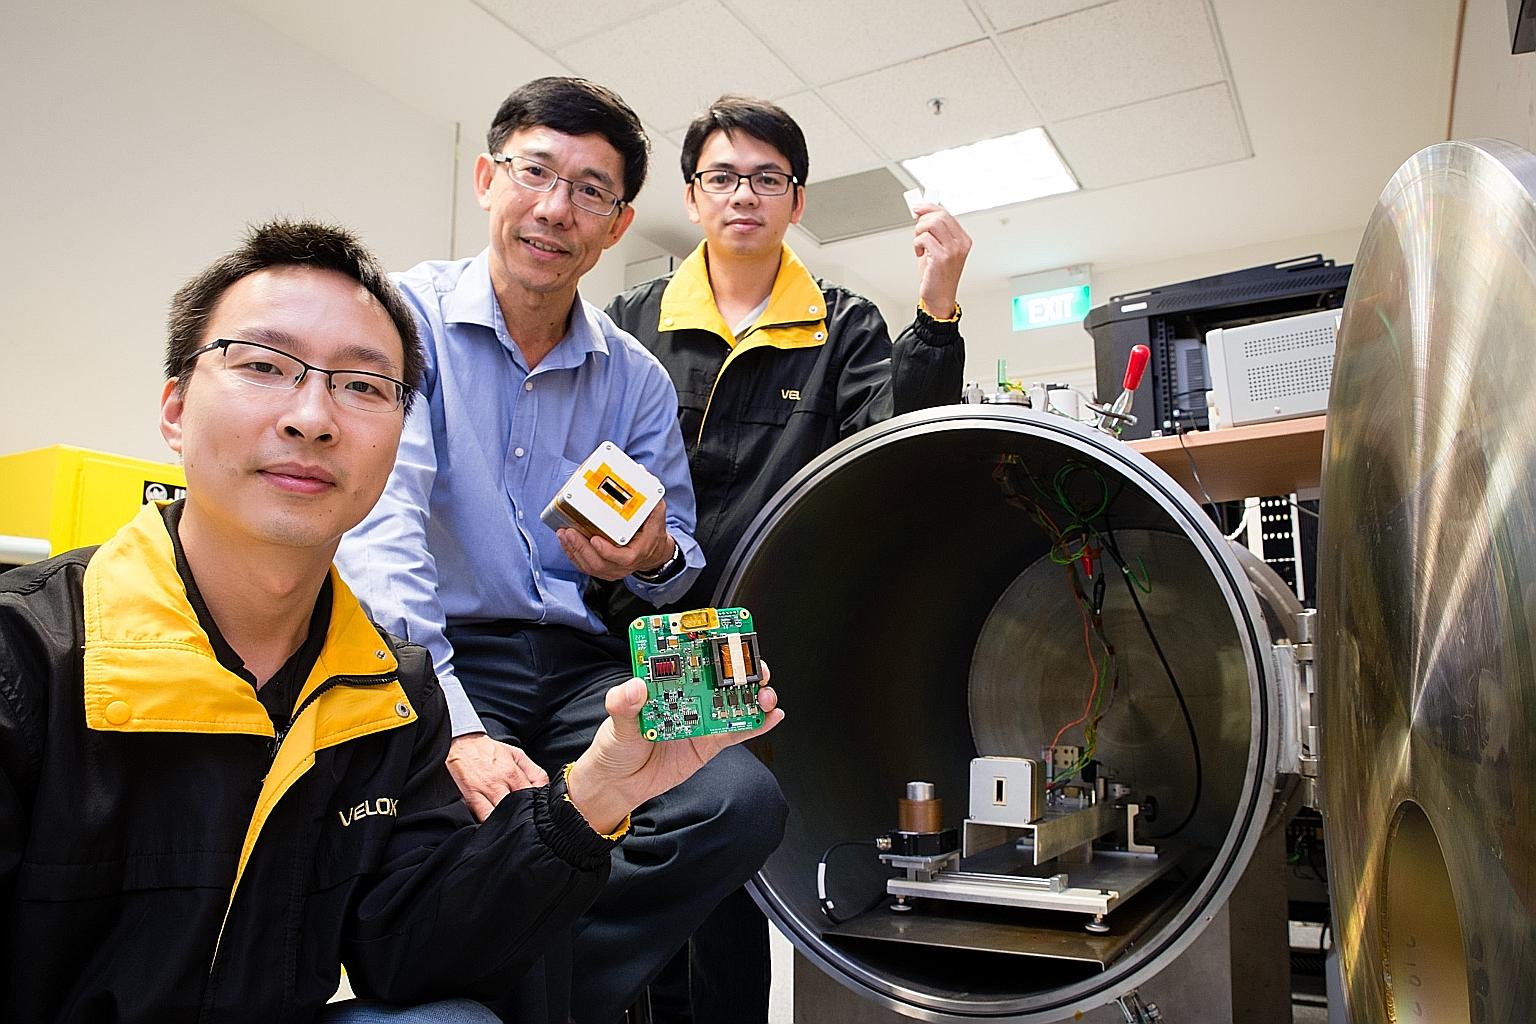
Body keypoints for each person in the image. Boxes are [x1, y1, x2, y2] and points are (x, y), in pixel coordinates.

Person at [0, 219, 781, 1024]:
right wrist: (466, 728)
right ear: (173, 409)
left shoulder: (382, 689)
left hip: (582, 654)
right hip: (460, 650)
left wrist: (592, 795)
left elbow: (407, 950)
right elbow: (394, 557)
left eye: (363, 386)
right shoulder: (26, 657)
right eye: (265, 367)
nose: (313, 417)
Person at [335, 78, 788, 1023]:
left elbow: (679, 569)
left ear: (618, 225)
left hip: (587, 657)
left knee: (737, 801)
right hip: (443, 648)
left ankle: (507, 982)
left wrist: (650, 556)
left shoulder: (637, 379)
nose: (554, 209)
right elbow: (382, 535)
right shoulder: (401, 321)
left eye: (590, 190)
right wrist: (454, 723)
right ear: (486, 178)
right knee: (489, 820)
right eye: (535, 172)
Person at [601, 95, 972, 1022]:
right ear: (692, 197)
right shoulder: (631, 319)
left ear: (797, 201)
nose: (744, 195)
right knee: (619, 867)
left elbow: (899, 447)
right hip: (630, 625)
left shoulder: (841, 323)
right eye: (723, 177)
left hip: (750, 643)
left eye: (768, 179)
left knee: (723, 881)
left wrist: (937, 306)